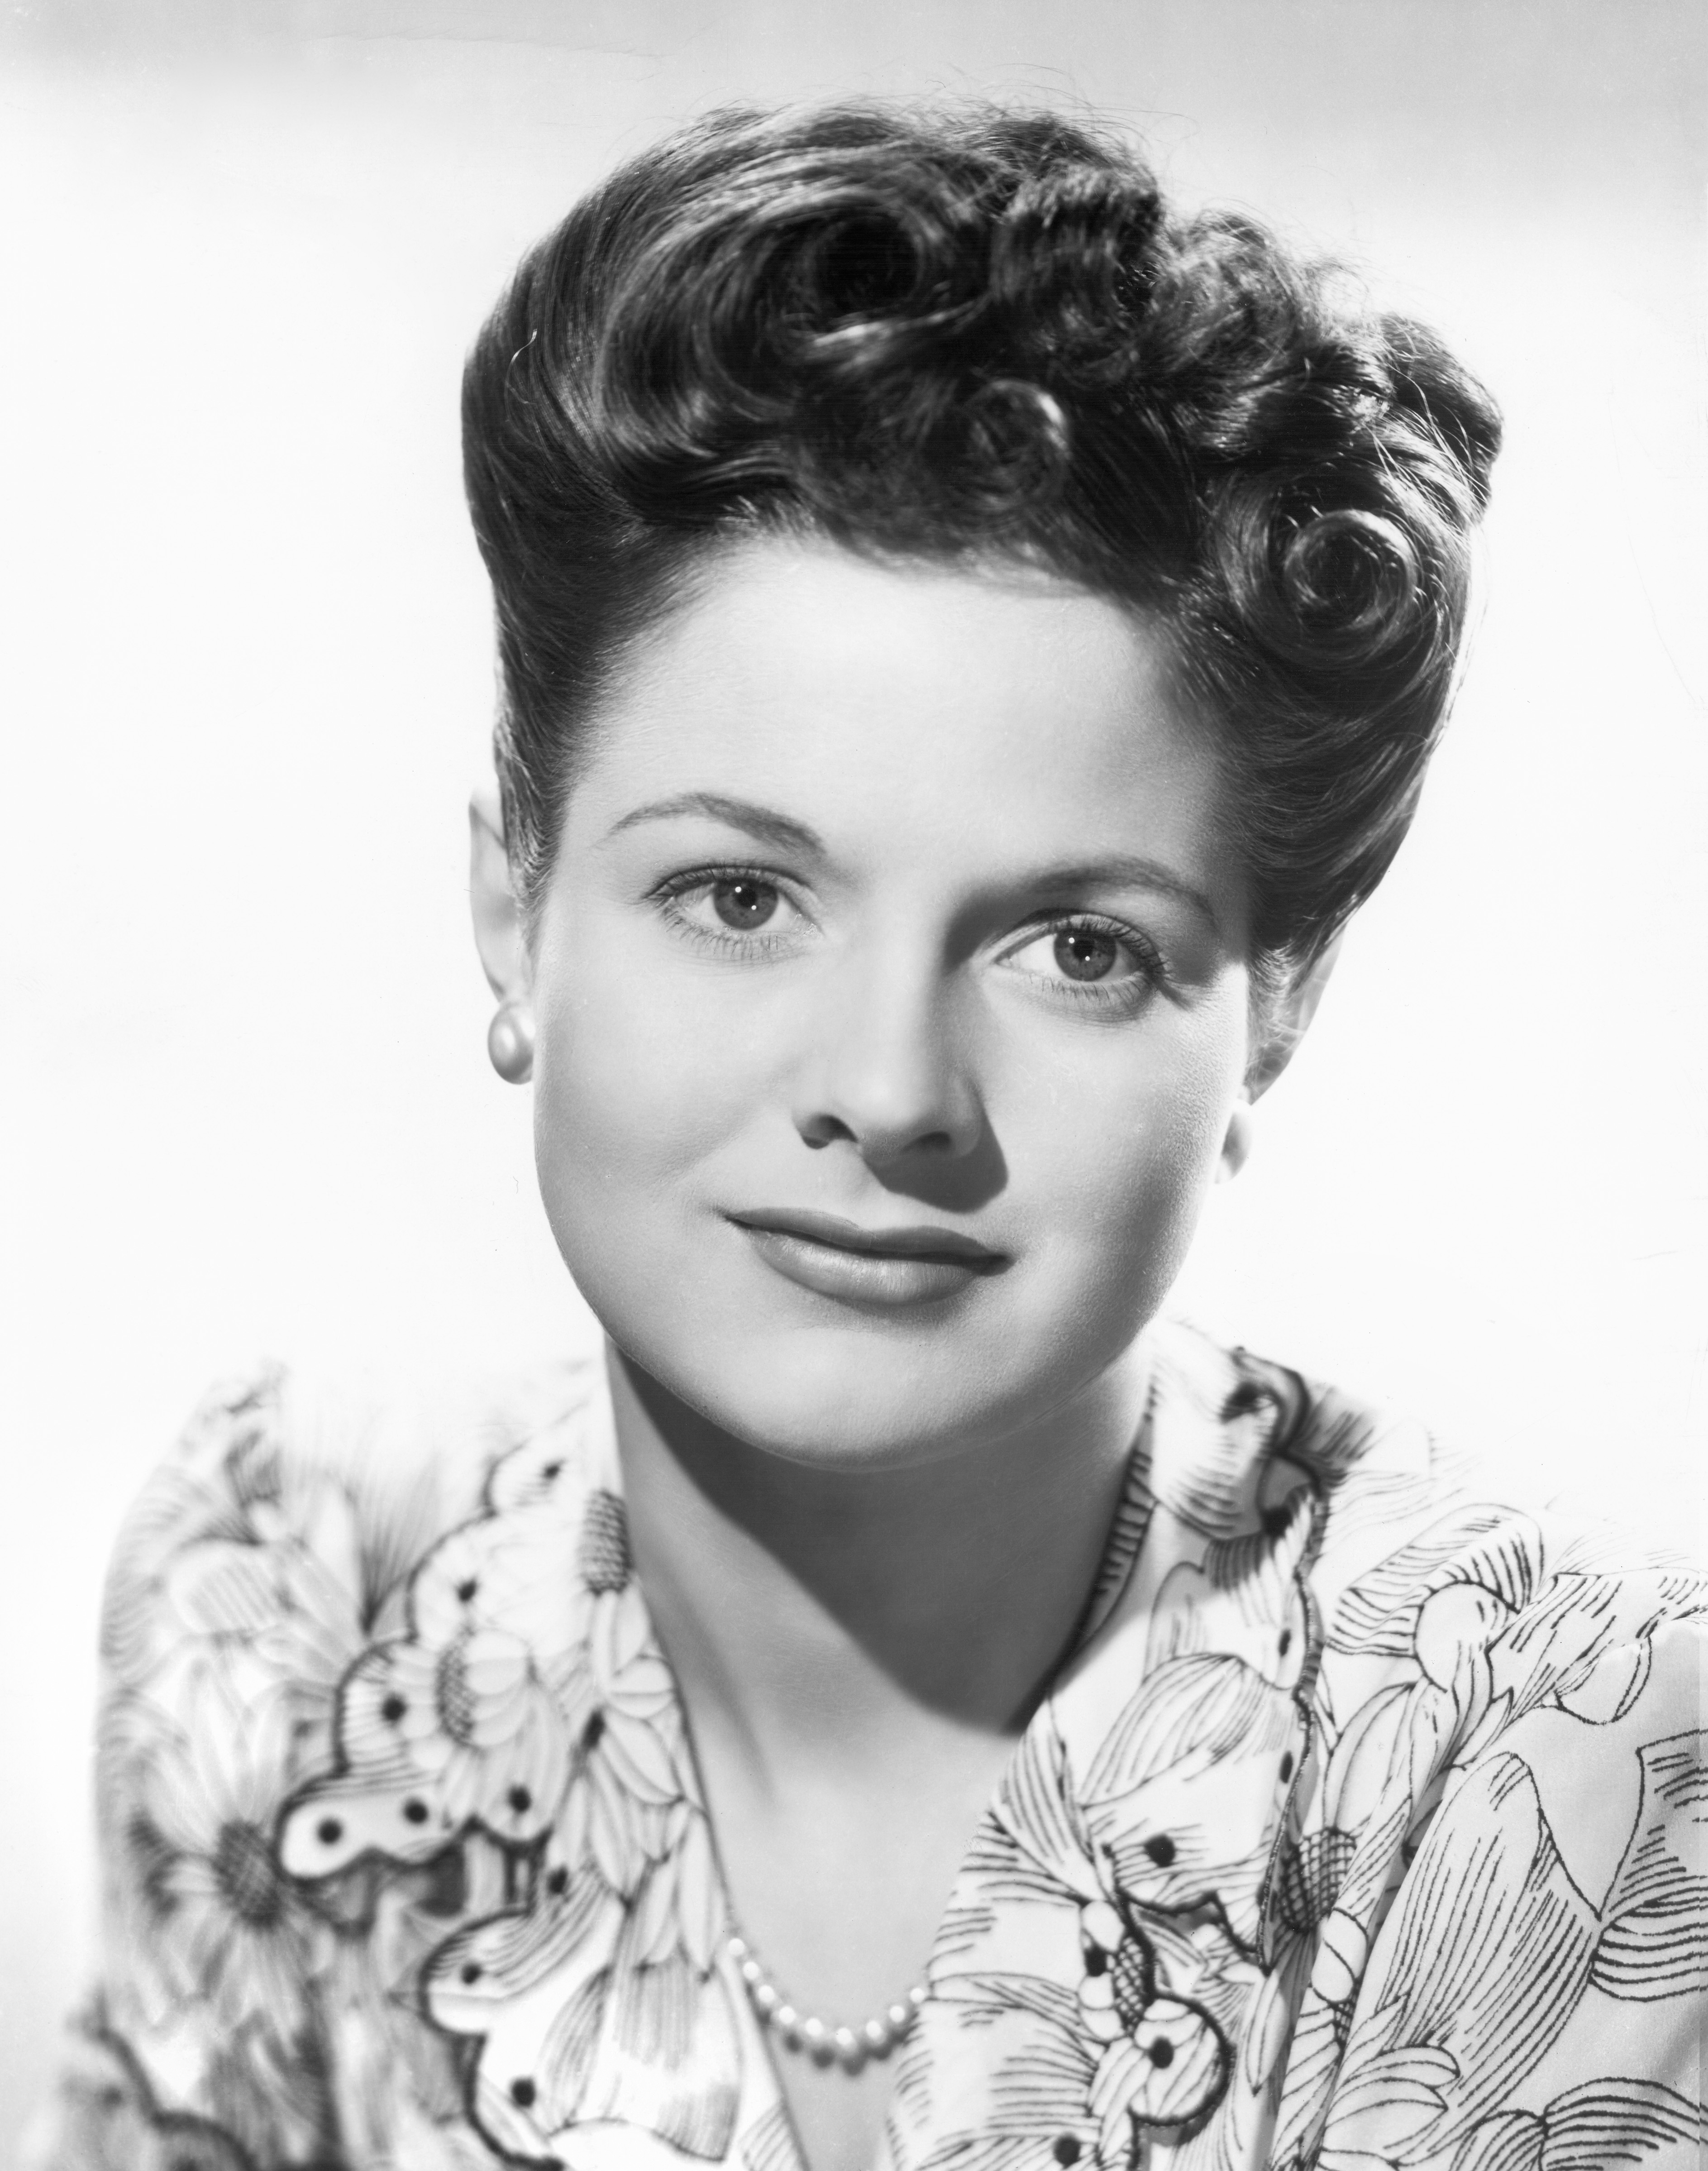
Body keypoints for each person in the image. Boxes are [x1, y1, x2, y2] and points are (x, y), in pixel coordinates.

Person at [29, 100, 1702, 2171]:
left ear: (1273, 1006)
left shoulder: (1535, 1739)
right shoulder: (275, 1587)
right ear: (510, 905)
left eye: (1078, 945)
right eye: (737, 895)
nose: (891, 1088)